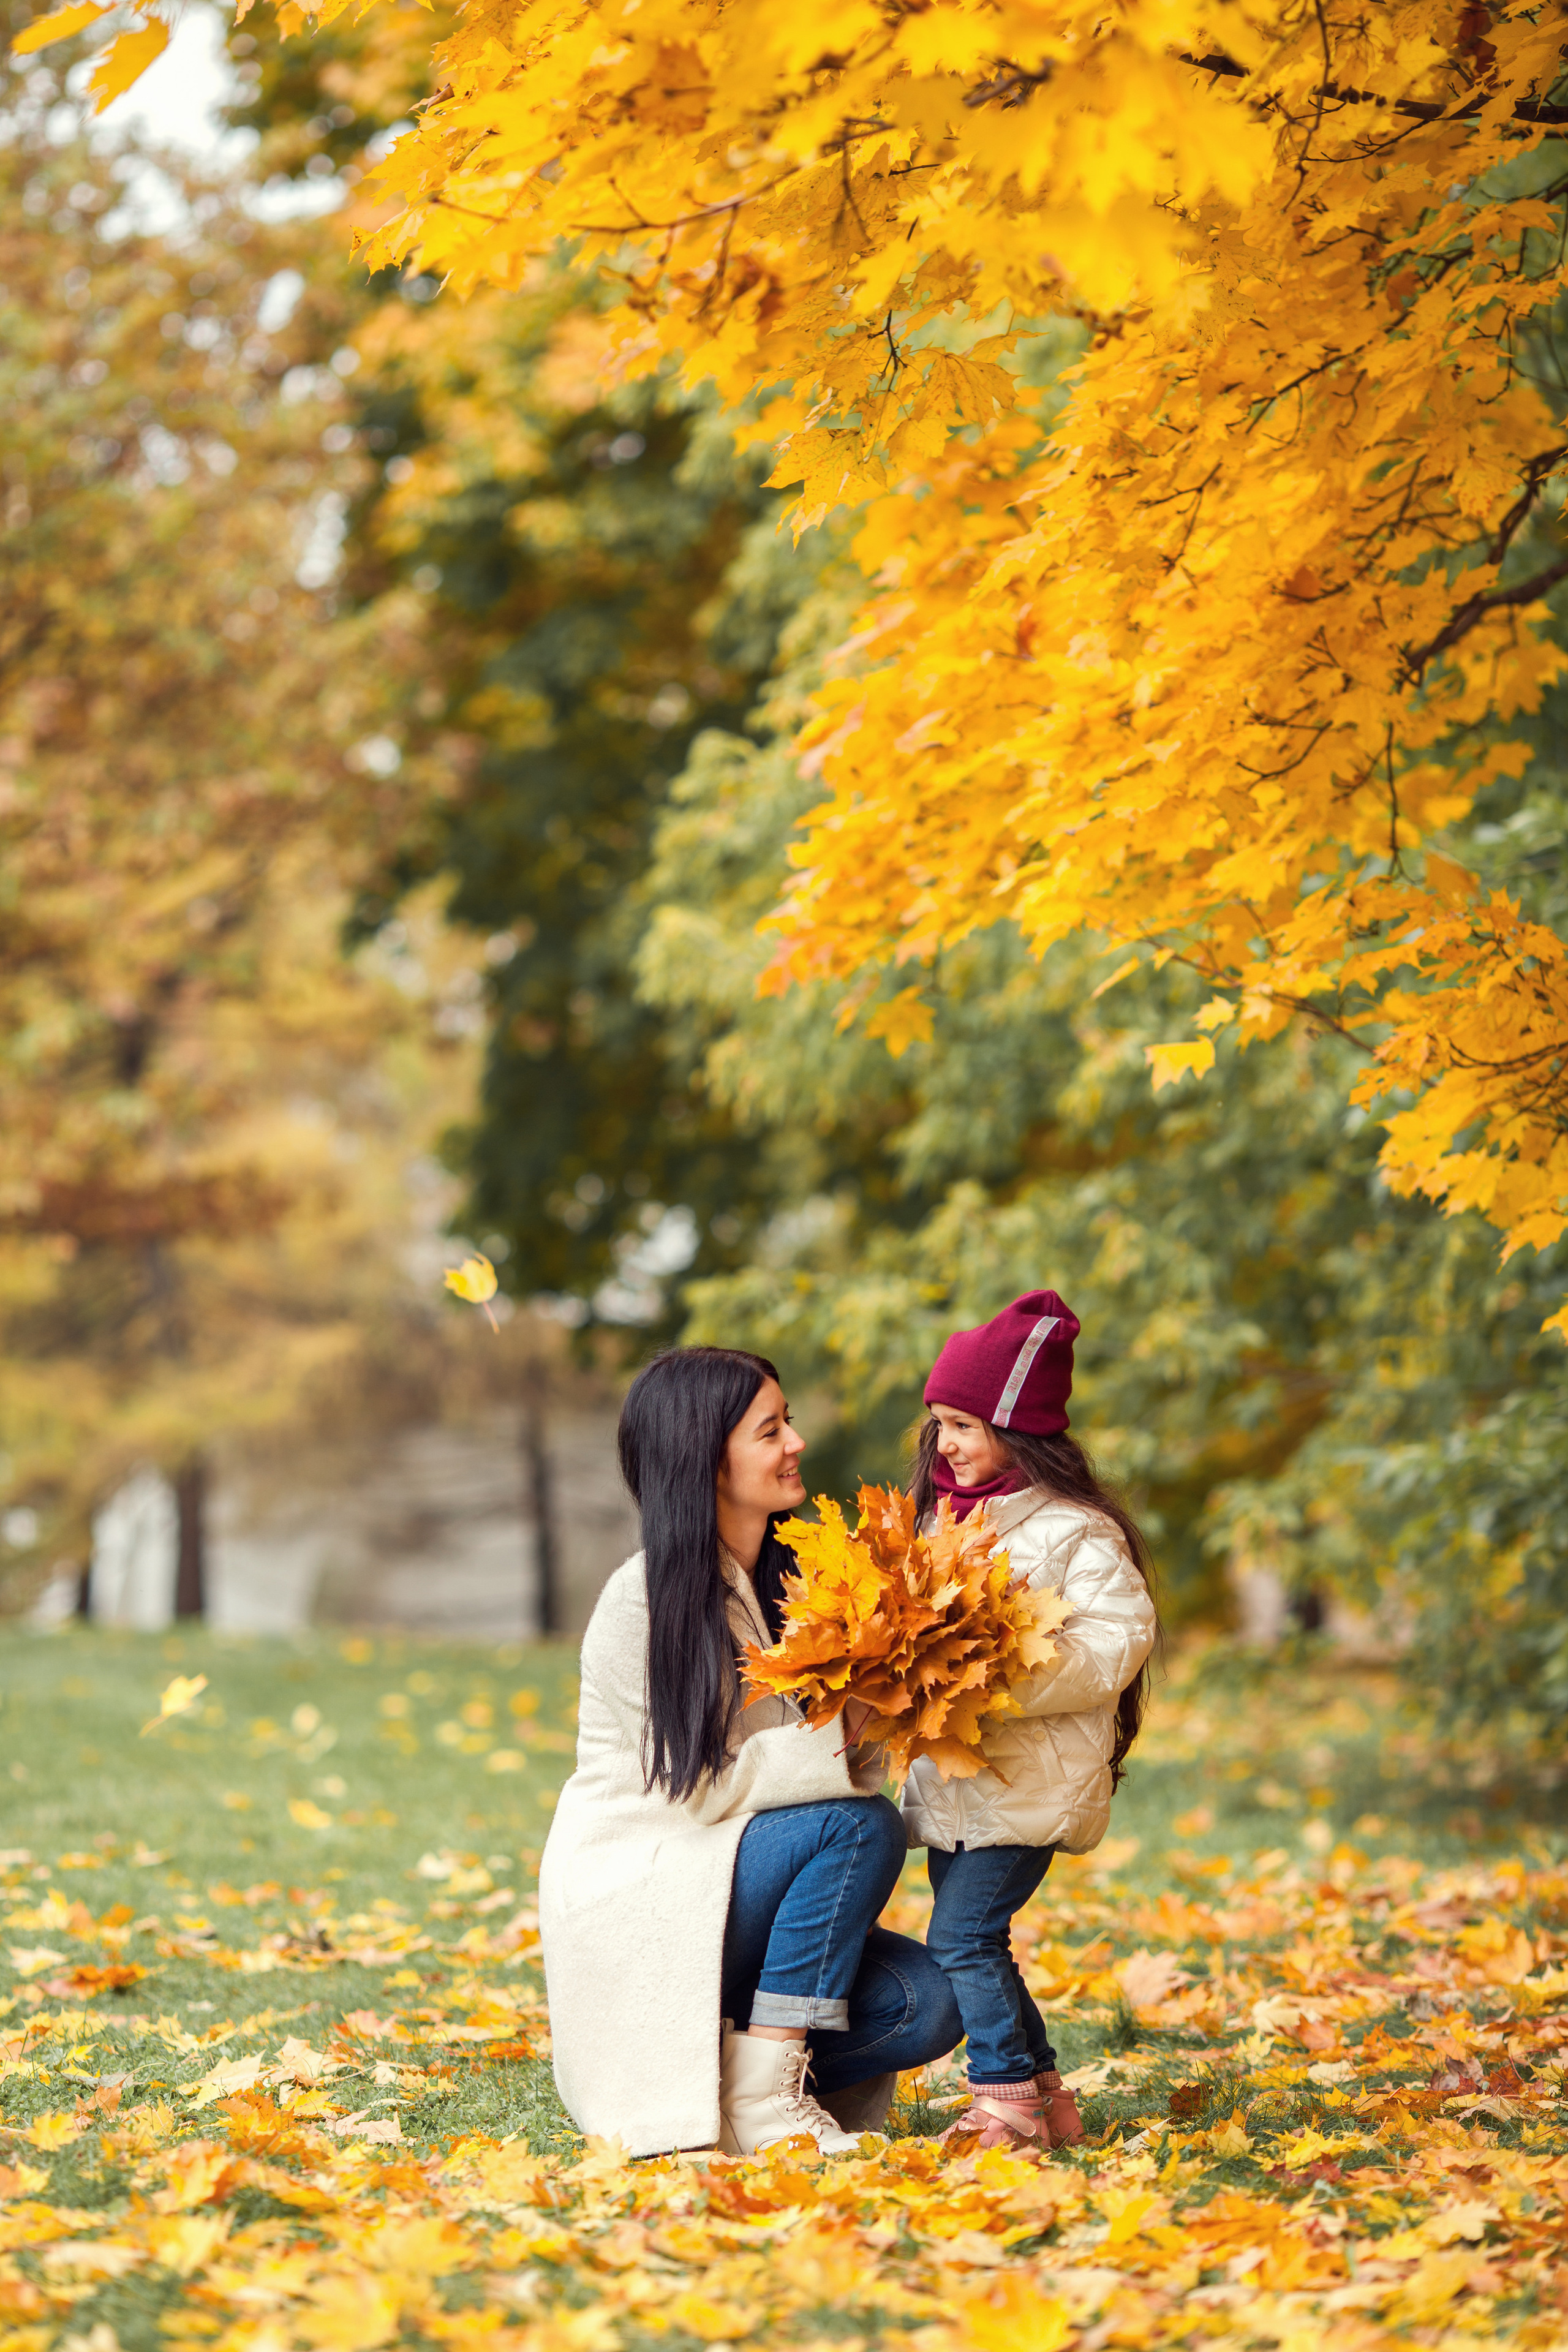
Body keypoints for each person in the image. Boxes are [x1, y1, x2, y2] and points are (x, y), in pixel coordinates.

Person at [539, 1346, 961, 2158]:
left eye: (787, 1421)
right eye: (770, 1431)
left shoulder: (793, 1582)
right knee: (857, 1827)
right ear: (707, 1456)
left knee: (930, 2003)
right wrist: (841, 1733)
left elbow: (826, 1760)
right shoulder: (645, 1601)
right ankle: (765, 2102)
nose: (795, 1442)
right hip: (650, 1899)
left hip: (735, 1891)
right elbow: (702, 1791)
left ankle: (735, 2077)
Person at [903, 1289, 1159, 2153]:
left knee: (961, 1937)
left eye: (965, 1426)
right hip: (958, 1779)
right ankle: (1047, 2097)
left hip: (1029, 1782)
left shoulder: (1077, 1532)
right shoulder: (939, 1521)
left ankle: (1005, 2099)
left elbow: (1116, 1643)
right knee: (980, 1938)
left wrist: (999, 1670)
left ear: (1020, 1430)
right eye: (939, 1424)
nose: (945, 1443)